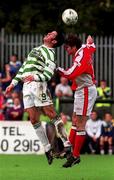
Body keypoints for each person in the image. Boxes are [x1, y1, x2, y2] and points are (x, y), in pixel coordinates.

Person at [5, 30, 73, 166]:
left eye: (51, 34)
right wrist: (13, 83)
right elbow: (24, 67)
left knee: (51, 114)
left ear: (54, 41)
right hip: (26, 88)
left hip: (38, 86)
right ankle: (47, 149)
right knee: (33, 119)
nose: (48, 34)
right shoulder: (36, 49)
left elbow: (48, 74)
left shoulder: (51, 54)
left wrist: (35, 77)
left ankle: (67, 145)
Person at [57, 34, 97, 167]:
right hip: (81, 90)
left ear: (74, 47)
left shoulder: (81, 57)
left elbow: (70, 74)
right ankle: (69, 151)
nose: (66, 50)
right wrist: (90, 42)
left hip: (86, 91)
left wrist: (57, 69)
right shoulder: (84, 48)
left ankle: (75, 156)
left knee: (80, 123)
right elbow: (92, 47)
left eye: (67, 48)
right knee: (74, 120)